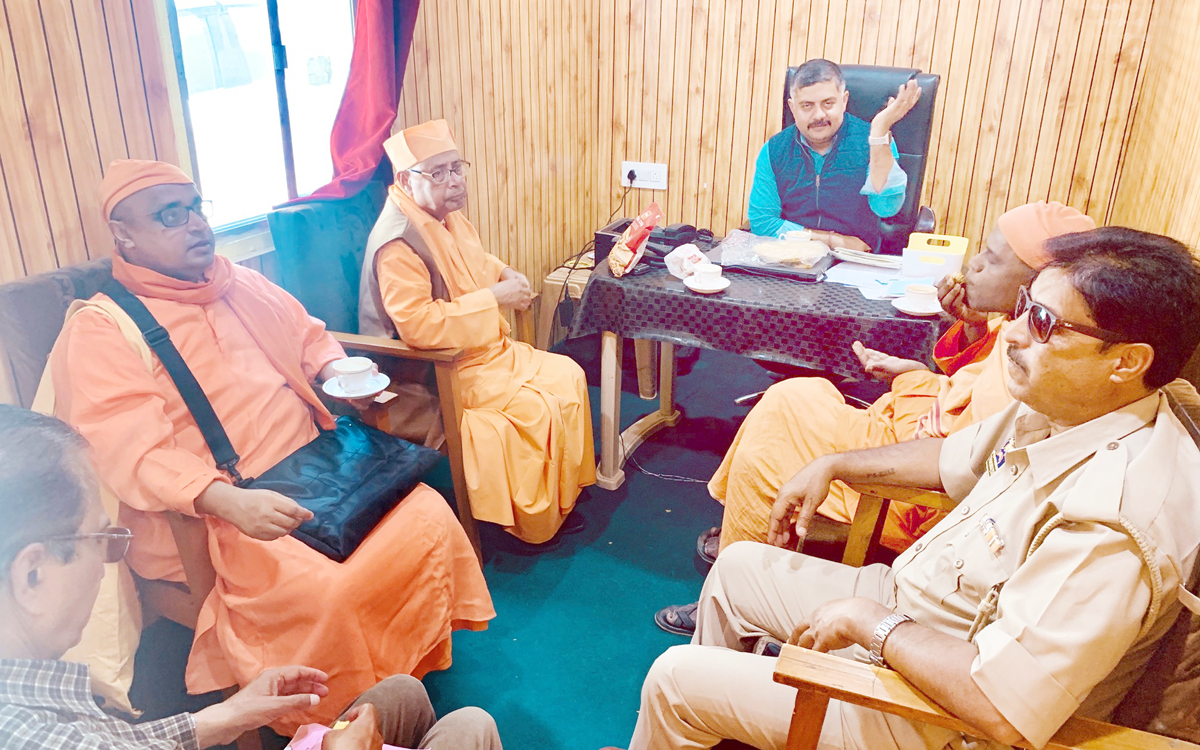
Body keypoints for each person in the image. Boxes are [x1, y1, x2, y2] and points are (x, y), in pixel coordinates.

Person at [622, 227, 1200, 750]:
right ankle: (721, 725)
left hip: (938, 714)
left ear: (1127, 362)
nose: (1012, 333)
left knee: (675, 679)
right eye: (1024, 305)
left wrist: (871, 625)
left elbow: (1003, 707)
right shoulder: (1069, 409)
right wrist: (834, 463)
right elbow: (951, 457)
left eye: (1043, 322)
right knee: (737, 567)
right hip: (915, 607)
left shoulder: (1112, 519)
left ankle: (706, 711)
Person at [44, 159, 495, 734]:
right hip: (217, 512)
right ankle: (335, 721)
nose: (196, 225)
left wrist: (336, 370)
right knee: (332, 590)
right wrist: (229, 501)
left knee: (427, 511)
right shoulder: (101, 330)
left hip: (315, 468)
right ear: (123, 235)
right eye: (170, 216)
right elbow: (131, 453)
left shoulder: (235, 281)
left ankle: (401, 674)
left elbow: (308, 334)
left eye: (196, 208)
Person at [657, 202, 1095, 637]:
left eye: (992, 259)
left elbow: (962, 453)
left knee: (774, 431)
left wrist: (906, 394)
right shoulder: (1019, 329)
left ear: (1038, 286)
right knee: (800, 392)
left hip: (912, 490)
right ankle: (742, 534)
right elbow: (964, 390)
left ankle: (738, 586)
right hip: (913, 427)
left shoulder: (1033, 368)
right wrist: (956, 341)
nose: (974, 264)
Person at [0, 406, 502, 750]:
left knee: (402, 693)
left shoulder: (35, 705)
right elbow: (139, 455)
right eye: (103, 540)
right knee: (471, 726)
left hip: (303, 474)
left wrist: (231, 713)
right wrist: (223, 499)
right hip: (227, 515)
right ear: (32, 574)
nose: (105, 563)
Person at [359, 119, 596, 546]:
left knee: (567, 374)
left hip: (478, 351)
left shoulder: (443, 216)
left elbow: (474, 262)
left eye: (457, 167)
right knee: (533, 408)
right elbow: (418, 325)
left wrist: (503, 273)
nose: (455, 181)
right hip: (430, 374)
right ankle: (523, 522)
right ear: (406, 181)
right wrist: (494, 297)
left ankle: (559, 497)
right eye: (439, 173)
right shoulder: (398, 242)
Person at [747, 58, 922, 252]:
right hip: (791, 257)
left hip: (856, 261)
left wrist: (879, 131)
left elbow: (886, 207)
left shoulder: (875, 141)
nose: (818, 115)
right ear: (792, 107)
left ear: (844, 100)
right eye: (807, 105)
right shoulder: (774, 150)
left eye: (828, 103)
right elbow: (762, 223)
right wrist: (833, 242)